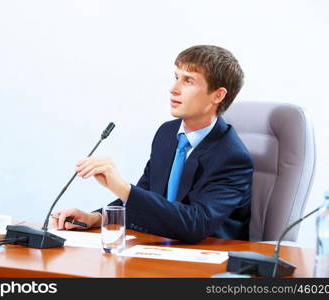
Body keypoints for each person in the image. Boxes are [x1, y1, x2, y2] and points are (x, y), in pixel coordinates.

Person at [51, 45, 253, 243]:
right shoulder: (167, 134)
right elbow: (149, 196)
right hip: (159, 249)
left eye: (188, 81)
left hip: (206, 261)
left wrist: (122, 187)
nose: (173, 89)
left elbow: (195, 223)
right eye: (176, 78)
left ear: (218, 95)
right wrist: (96, 218)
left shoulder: (232, 157)